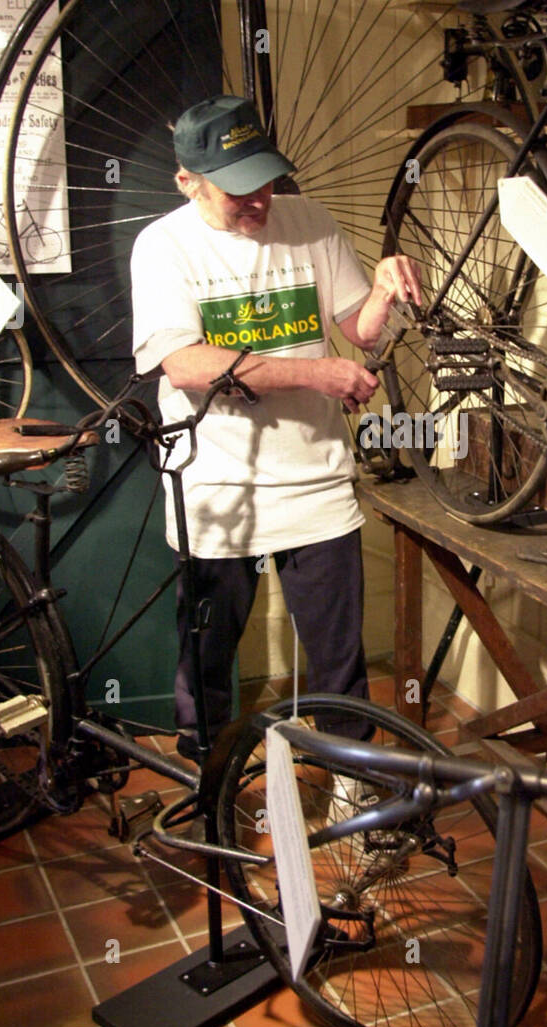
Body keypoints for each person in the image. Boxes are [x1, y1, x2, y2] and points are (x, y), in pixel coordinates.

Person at [130, 95, 420, 761]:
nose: (259, 203)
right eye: (237, 192)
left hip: (316, 484)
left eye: (264, 182)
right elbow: (185, 364)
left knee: (340, 664)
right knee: (205, 659)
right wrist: (318, 376)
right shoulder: (163, 247)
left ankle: (356, 784)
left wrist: (383, 285)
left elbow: (359, 330)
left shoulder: (309, 221)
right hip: (217, 492)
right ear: (188, 182)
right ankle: (209, 784)